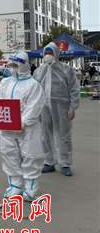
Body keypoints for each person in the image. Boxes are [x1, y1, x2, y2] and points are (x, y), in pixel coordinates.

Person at [0, 52, 45, 201]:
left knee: (30, 154)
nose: (13, 68)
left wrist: (22, 122)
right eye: (11, 65)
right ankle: (15, 185)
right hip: (7, 124)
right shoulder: (5, 83)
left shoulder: (33, 85)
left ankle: (31, 187)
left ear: (24, 65)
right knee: (9, 153)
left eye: (16, 65)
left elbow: (35, 106)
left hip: (27, 127)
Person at [33, 42, 79, 176]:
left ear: (56, 54)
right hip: (43, 107)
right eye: (46, 53)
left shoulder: (66, 69)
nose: (48, 55)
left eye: (50, 53)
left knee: (63, 134)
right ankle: (49, 161)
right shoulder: (38, 71)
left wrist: (73, 107)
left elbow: (74, 89)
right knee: (45, 134)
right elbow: (34, 91)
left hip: (61, 107)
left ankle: (65, 163)